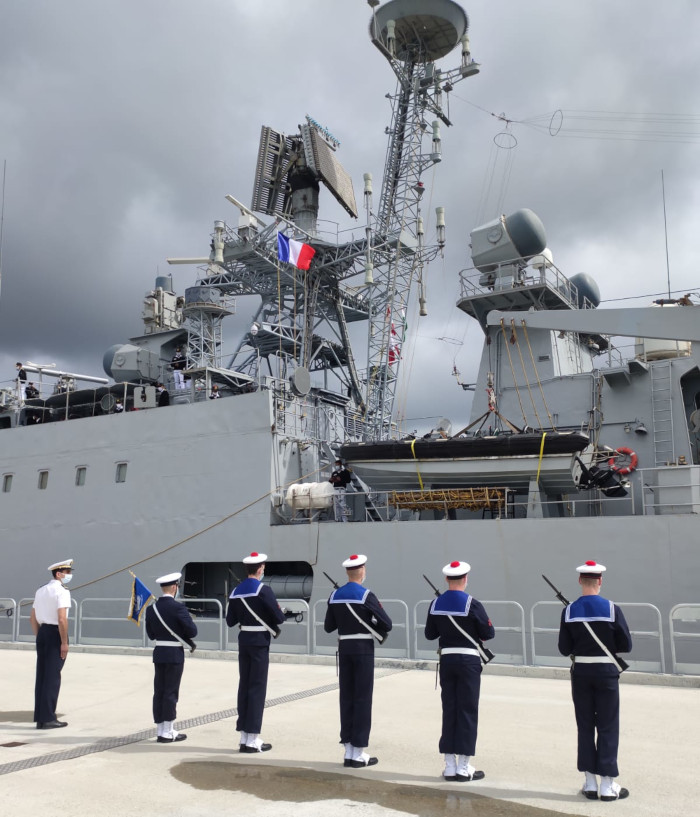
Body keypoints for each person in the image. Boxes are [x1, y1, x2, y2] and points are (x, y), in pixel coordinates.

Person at [558, 560, 632, 802]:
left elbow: (563, 648)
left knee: (585, 725)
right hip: (606, 674)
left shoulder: (568, 611)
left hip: (580, 674)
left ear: (580, 581)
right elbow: (626, 645)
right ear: (600, 581)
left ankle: (590, 782)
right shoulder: (612, 609)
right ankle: (608, 785)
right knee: (608, 726)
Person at [425, 560, 494, 782]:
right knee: (467, 711)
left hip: (447, 660)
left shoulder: (435, 604)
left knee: (449, 710)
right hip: (468, 662)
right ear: (465, 579)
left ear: (447, 579)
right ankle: (464, 767)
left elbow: (430, 634)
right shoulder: (473, 604)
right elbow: (488, 632)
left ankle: (449, 766)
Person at [324, 553, 392, 768]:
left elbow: (328, 627)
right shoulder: (366, 595)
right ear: (362, 571)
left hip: (344, 648)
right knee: (362, 698)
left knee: (347, 697)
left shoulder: (335, 595)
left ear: (347, 572)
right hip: (363, 649)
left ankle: (348, 750)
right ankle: (359, 751)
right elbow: (387, 624)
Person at [226, 552, 285, 753]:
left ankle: (243, 736)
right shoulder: (263, 590)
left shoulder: (235, 592)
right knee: (257, 688)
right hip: (260, 642)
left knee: (244, 686)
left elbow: (230, 621)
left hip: (244, 641)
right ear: (260, 569)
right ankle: (252, 739)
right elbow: (278, 617)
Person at [145, 572, 198, 743]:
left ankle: (160, 728)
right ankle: (168, 730)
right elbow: (192, 631)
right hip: (174, 653)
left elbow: (151, 635)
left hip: (159, 653)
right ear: (175, 587)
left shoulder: (151, 609)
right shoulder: (178, 608)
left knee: (159, 691)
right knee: (170, 692)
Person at [30, 559, 74, 729]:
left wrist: (39, 635)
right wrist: (64, 642)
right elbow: (62, 619)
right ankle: (48, 718)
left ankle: (41, 718)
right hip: (55, 634)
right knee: (52, 677)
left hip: (43, 633)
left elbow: (32, 618)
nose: (69, 575)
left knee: (42, 676)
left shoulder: (41, 590)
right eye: (67, 572)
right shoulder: (62, 591)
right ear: (59, 574)